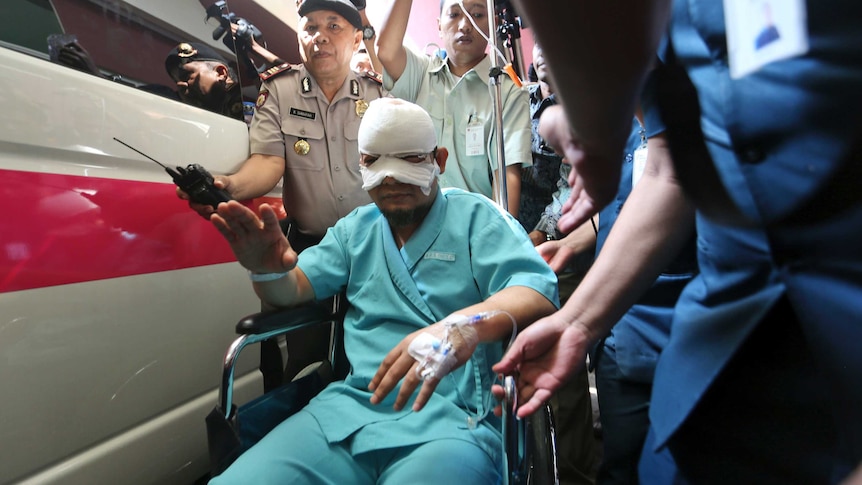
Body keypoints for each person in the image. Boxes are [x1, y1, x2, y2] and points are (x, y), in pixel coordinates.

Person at [496, 1, 862, 483]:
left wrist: (593, 122)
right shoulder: (682, 16)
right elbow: (669, 167)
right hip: (724, 344)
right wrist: (579, 321)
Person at [208, 97, 559, 484]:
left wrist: (461, 326)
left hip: (451, 423)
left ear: (439, 161)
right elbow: (293, 289)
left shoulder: (478, 219)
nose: (389, 178)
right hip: (351, 410)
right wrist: (268, 269)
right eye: (373, 162)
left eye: (409, 159)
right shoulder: (355, 229)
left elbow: (536, 290)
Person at [180, 0, 387, 383]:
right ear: (299, 37)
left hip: (373, 248)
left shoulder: (377, 95)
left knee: (375, 356)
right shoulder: (279, 90)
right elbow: (268, 162)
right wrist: (229, 186)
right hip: (309, 249)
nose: (320, 36)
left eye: (334, 26)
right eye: (310, 27)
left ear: (357, 38)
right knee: (306, 362)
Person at [518, 43, 599, 485]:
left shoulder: (589, 103)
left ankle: (575, 472)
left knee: (564, 374)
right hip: (517, 244)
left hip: (559, 245)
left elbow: (572, 190)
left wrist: (543, 236)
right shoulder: (518, 99)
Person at [376, 0, 531, 216]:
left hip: (473, 226)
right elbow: (386, 51)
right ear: (439, 25)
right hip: (419, 222)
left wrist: (497, 240)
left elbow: (506, 176)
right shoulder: (421, 73)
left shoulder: (506, 91)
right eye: (454, 14)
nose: (465, 25)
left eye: (477, 15)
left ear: (493, 24)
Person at [165, 42, 245, 120]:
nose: (180, 85)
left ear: (220, 73)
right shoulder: (215, 121)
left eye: (187, 76)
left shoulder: (249, 104)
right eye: (176, 81)